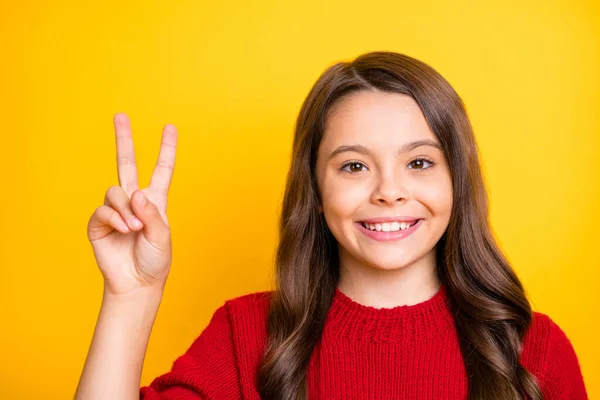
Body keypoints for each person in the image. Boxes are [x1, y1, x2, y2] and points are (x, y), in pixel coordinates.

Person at [74, 51, 588, 400]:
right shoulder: (246, 336)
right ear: (316, 192)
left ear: (457, 181)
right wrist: (129, 296)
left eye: (420, 162)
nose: (389, 191)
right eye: (354, 166)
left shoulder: (531, 350)